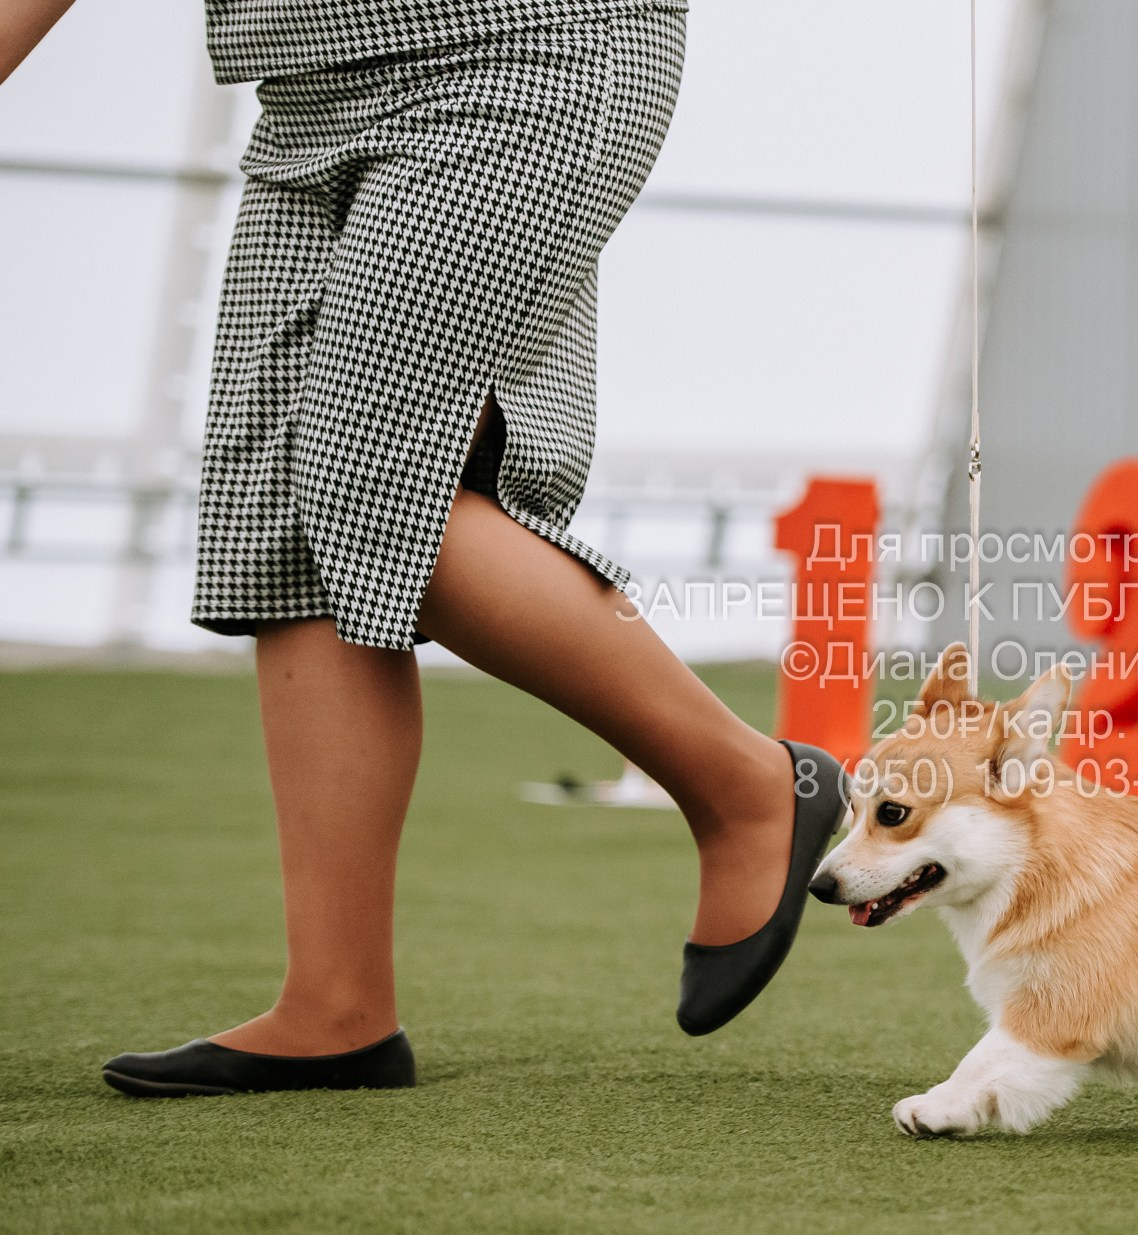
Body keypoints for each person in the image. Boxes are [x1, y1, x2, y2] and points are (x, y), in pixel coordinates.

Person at [2, 0, 846, 1097]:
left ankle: (747, 786)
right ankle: (336, 1006)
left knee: (370, 478)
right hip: (311, 78)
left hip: (521, 56)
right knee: (280, 520)